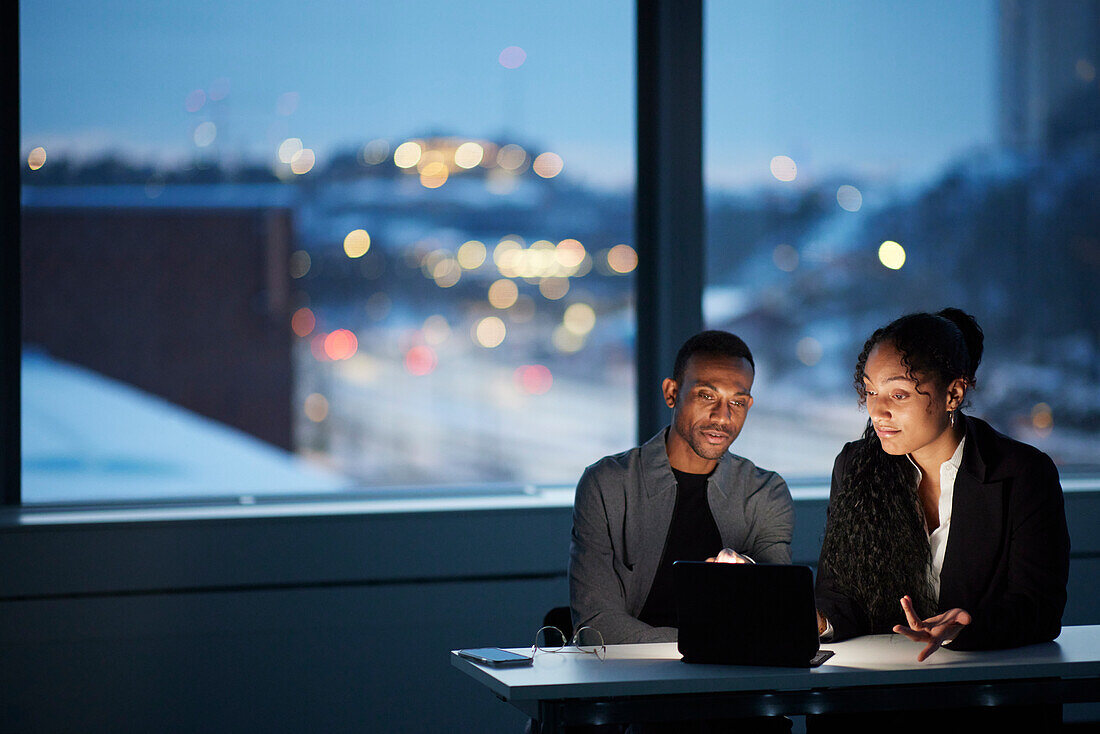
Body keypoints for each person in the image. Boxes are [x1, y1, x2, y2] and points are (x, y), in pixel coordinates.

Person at [815, 308, 1070, 665]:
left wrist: (963, 629)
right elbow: (839, 595)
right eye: (871, 391)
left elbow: (1039, 608)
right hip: (881, 685)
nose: (877, 411)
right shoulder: (855, 465)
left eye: (899, 395)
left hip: (986, 688)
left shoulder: (1024, 473)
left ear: (953, 393)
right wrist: (820, 621)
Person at [569, 330, 794, 644]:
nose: (722, 416)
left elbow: (776, 612)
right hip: (630, 682)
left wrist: (751, 572)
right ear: (671, 392)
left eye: (737, 402)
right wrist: (707, 645)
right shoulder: (606, 485)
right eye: (706, 395)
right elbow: (597, 626)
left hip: (734, 683)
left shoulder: (765, 492)